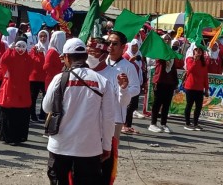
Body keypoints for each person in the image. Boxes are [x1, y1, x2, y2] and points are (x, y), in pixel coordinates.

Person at [43, 38, 117, 185]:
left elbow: (46, 107)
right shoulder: (102, 81)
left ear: (67, 57)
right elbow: (109, 118)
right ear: (84, 56)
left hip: (60, 145)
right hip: (89, 147)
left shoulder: (59, 79)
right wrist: (106, 147)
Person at [99, 31, 140, 185]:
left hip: (116, 116)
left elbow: (136, 88)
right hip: (96, 114)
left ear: (123, 47)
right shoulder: (100, 62)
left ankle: (107, 180)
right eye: (108, 43)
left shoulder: (128, 66)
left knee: (109, 152)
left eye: (115, 44)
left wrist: (123, 90)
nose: (110, 46)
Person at [0, 37, 35, 145]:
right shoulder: (11, 55)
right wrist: (9, 50)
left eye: (23, 46)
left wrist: (37, 53)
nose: (21, 49)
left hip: (22, 88)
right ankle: (7, 137)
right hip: (10, 87)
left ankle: (18, 137)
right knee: (8, 113)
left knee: (20, 114)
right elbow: (3, 61)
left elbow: (33, 65)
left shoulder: (27, 58)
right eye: (19, 46)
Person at [149, 34, 179, 133]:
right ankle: (153, 124)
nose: (167, 40)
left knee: (166, 104)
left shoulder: (172, 53)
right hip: (160, 80)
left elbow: (173, 69)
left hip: (169, 82)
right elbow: (159, 62)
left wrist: (176, 83)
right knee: (157, 103)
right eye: (165, 39)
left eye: (169, 39)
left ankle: (163, 123)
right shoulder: (159, 51)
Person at [183, 42, 209, 131]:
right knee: (189, 105)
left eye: (200, 50)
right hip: (190, 87)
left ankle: (195, 123)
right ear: (193, 51)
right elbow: (189, 70)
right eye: (196, 50)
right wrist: (195, 60)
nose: (199, 51)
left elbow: (205, 76)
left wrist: (206, 89)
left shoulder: (203, 62)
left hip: (199, 88)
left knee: (199, 106)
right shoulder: (189, 59)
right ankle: (187, 123)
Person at [122, 39, 145, 135]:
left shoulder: (139, 56)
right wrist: (130, 62)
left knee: (134, 105)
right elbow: (123, 68)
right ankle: (125, 125)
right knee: (129, 105)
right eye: (133, 45)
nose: (135, 47)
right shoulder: (126, 56)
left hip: (137, 83)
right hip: (129, 84)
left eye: (136, 45)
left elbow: (142, 69)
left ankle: (129, 125)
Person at [28, 30, 49, 122]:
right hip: (35, 76)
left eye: (44, 36)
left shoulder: (50, 48)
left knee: (46, 97)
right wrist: (39, 54)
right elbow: (32, 60)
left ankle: (43, 114)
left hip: (45, 77)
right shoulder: (35, 48)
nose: (43, 38)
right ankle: (32, 115)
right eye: (41, 36)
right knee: (33, 97)